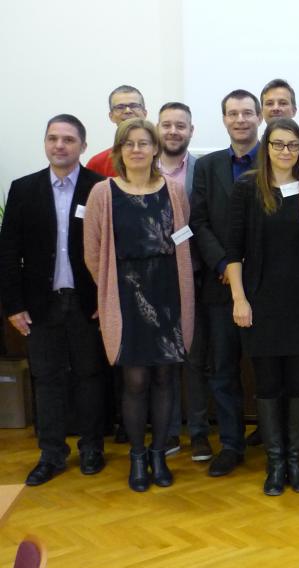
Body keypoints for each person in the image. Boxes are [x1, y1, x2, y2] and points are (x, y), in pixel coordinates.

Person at [83, 118, 194, 492]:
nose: (136, 149)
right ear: (119, 150)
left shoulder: (174, 191)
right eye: (128, 143)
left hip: (167, 292)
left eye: (143, 143)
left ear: (154, 149)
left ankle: (159, 452)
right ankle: (136, 455)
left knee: (165, 377)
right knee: (135, 380)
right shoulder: (103, 192)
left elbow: (182, 238)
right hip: (126, 296)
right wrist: (108, 294)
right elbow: (93, 251)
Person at [225, 118, 299, 496]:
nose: (285, 151)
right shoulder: (246, 189)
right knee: (268, 385)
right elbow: (232, 250)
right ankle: (274, 464)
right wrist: (239, 298)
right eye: (278, 144)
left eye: (292, 145)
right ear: (266, 147)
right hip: (260, 302)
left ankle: (295, 461)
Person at [0, 114, 106, 486]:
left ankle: (92, 448)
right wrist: (13, 305)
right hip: (40, 304)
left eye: (68, 139)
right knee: (46, 380)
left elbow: (110, 250)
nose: (59, 145)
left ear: (83, 146)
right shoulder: (23, 189)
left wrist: (105, 299)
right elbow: (9, 252)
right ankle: (52, 454)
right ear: (45, 143)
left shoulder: (100, 188)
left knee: (90, 377)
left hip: (86, 302)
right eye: (53, 138)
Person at [190, 89, 263, 477]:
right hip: (220, 288)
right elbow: (198, 222)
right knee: (223, 369)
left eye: (247, 113)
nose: (240, 120)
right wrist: (223, 263)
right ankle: (232, 444)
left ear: (259, 117)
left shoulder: (278, 160)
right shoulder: (208, 166)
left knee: (269, 367)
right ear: (223, 120)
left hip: (269, 287)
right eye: (233, 113)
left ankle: (275, 441)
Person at [156, 101, 206, 461]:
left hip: (195, 276)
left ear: (192, 131)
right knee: (163, 361)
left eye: (181, 125)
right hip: (153, 281)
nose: (174, 131)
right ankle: (168, 430)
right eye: (167, 125)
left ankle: (200, 432)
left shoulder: (202, 169)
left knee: (196, 359)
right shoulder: (139, 168)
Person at [86, 85, 148, 177]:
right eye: (120, 107)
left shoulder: (161, 159)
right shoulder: (97, 164)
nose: (127, 111)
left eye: (134, 106)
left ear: (145, 113)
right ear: (111, 116)